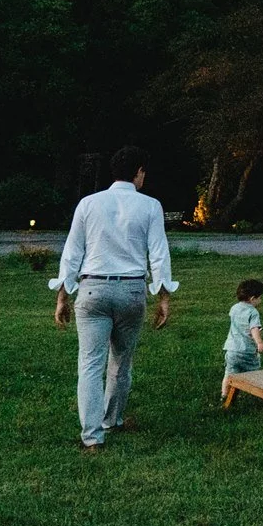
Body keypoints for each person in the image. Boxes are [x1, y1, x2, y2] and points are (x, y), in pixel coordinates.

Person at [51, 145, 178, 451]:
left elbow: (72, 253)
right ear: (138, 172)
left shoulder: (88, 204)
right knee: (121, 362)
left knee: (90, 364)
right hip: (132, 291)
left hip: (92, 289)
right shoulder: (150, 206)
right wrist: (163, 296)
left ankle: (92, 437)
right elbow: (158, 254)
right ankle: (113, 419)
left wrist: (62, 296)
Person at [223, 279, 263, 395]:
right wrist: (259, 342)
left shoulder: (234, 308)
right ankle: (259, 396)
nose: (260, 300)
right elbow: (254, 329)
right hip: (247, 351)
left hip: (232, 350)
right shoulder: (253, 312)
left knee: (229, 374)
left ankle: (224, 395)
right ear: (253, 298)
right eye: (259, 298)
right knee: (254, 376)